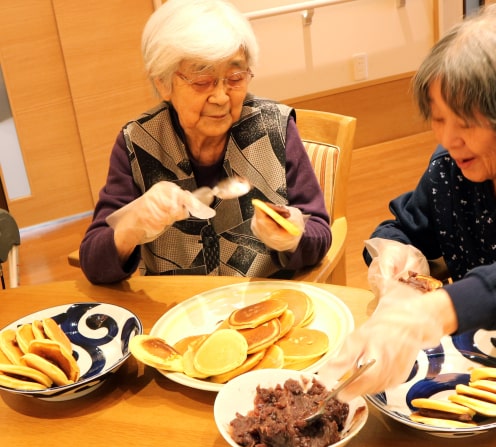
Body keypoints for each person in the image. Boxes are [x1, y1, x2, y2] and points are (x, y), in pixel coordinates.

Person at [320, 2, 496, 400]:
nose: (448, 140)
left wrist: (431, 312)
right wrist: (395, 259)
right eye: (438, 118)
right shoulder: (451, 168)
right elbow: (401, 228)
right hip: (480, 372)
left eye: (466, 122)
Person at [79, 0, 332, 284]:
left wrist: (293, 238)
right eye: (202, 81)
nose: (222, 97)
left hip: (265, 303)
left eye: (235, 78)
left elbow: (320, 231)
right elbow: (94, 263)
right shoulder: (138, 142)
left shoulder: (274, 127)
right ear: (163, 83)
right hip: (177, 312)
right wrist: (130, 228)